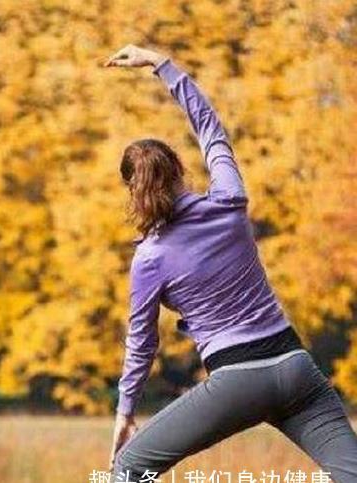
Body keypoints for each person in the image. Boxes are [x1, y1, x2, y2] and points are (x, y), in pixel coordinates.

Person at [103, 45, 357, 480]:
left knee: (128, 467)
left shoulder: (150, 257)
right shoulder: (229, 199)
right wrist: (161, 64)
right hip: (295, 365)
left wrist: (125, 412)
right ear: (180, 168)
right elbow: (211, 130)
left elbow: (142, 344)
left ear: (132, 191)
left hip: (237, 379)